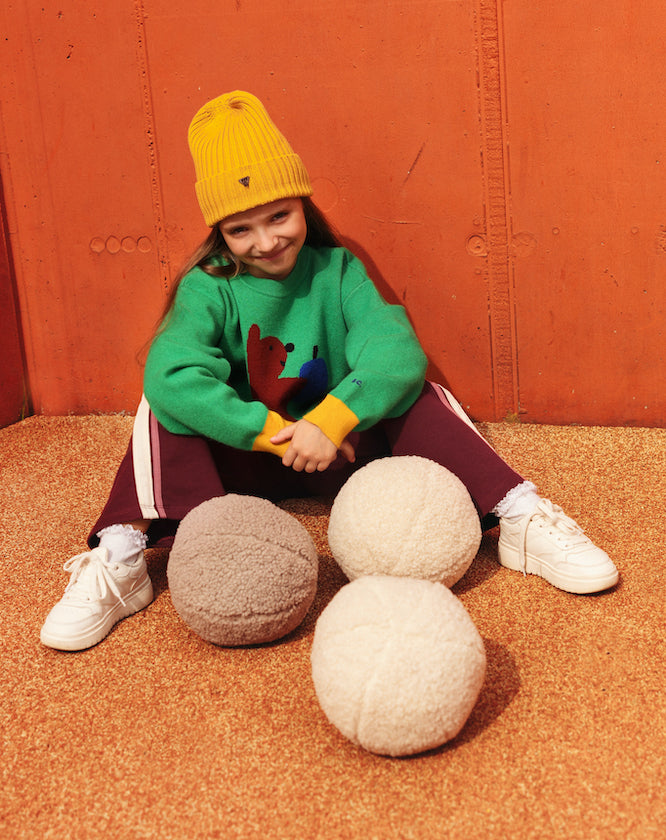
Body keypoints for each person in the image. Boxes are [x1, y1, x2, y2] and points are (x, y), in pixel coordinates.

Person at [40, 91, 619, 651]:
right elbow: (172, 375)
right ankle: (121, 556)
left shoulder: (337, 269)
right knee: (162, 403)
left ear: (303, 204)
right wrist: (271, 434)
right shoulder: (209, 287)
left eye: (279, 216)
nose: (266, 241)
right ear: (219, 232)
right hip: (251, 458)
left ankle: (516, 513)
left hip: (343, 453)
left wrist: (333, 419)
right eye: (241, 229)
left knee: (419, 393)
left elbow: (396, 355)